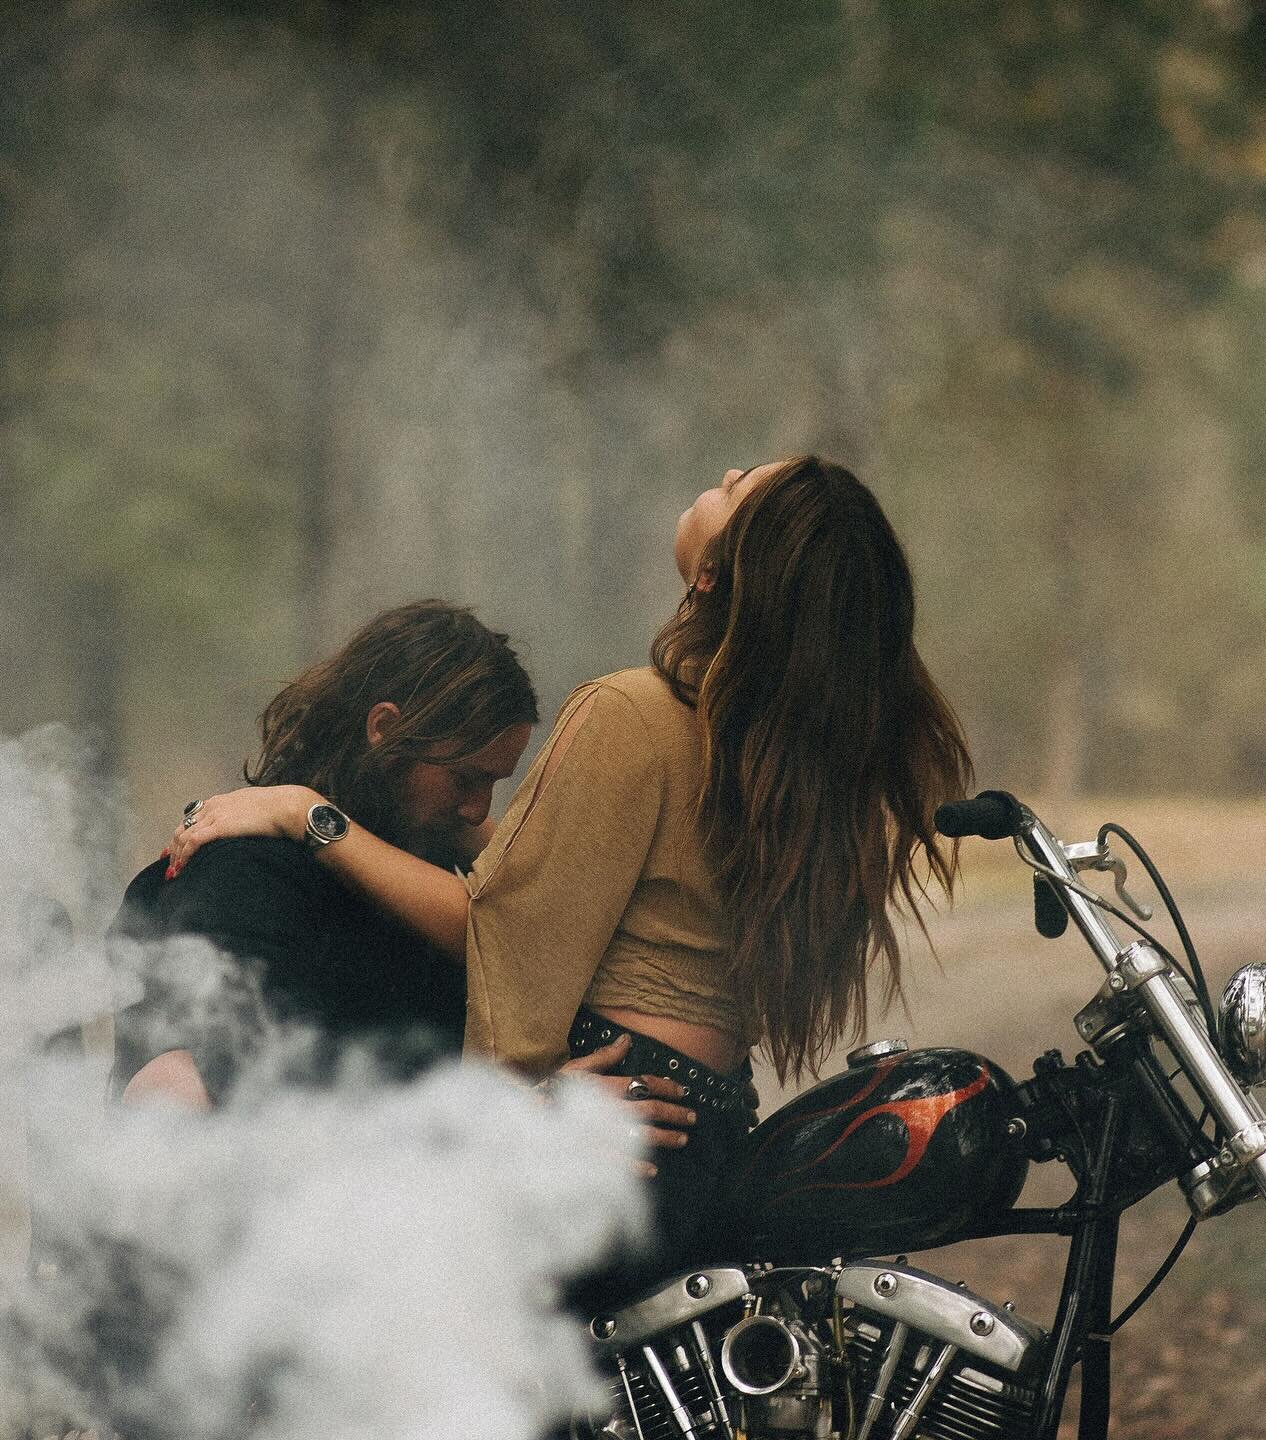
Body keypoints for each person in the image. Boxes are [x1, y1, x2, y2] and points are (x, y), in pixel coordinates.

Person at [166, 457, 974, 1279]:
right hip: (708, 1128)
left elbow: (499, 930)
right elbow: (578, 878)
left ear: (709, 576)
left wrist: (307, 816)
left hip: (612, 1123)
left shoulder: (631, 715)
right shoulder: (782, 753)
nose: (724, 473)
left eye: (735, 491)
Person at [113, 600, 698, 1160]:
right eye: (464, 779)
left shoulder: (427, 874)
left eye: (494, 784)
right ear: (385, 728)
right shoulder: (244, 874)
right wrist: (519, 1114)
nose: (477, 808)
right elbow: (261, 1097)